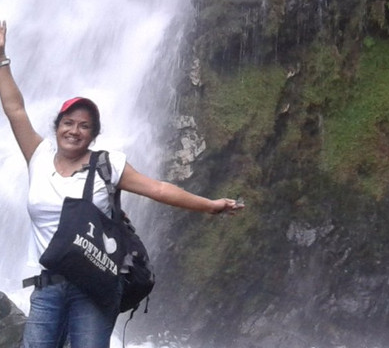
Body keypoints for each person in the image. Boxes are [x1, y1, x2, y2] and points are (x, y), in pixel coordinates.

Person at [0, 20, 244, 348]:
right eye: (68, 123)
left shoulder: (108, 164)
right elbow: (15, 109)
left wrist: (211, 206)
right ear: (57, 127)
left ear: (93, 134)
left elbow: (158, 189)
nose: (75, 130)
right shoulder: (38, 155)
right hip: (48, 285)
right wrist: (2, 59)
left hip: (97, 283)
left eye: (84, 126)